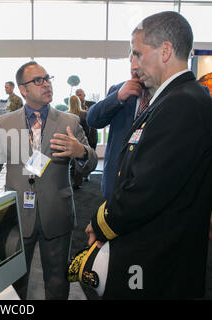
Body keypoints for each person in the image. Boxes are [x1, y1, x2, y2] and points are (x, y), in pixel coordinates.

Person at [79, 11, 212, 299]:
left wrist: (100, 225)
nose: (133, 64)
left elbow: (146, 188)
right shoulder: (173, 98)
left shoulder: (181, 104)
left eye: (138, 54)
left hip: (159, 260)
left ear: (165, 51)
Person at [0, 61, 97, 300]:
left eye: (48, 78)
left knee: (57, 279)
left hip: (56, 212)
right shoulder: (5, 122)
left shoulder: (69, 122)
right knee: (16, 280)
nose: (47, 84)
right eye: (39, 80)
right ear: (23, 90)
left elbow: (91, 163)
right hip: (18, 215)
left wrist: (82, 152)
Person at [86, 59, 155, 202]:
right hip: (114, 184)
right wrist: (117, 97)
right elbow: (92, 119)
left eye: (140, 59)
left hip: (148, 185)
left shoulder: (166, 94)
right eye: (131, 61)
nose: (134, 67)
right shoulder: (119, 89)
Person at [67, 95, 89, 189]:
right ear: (79, 102)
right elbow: (88, 130)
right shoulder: (84, 114)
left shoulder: (66, 115)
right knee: (80, 162)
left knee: (71, 162)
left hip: (70, 141)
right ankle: (78, 182)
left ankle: (71, 179)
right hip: (81, 141)